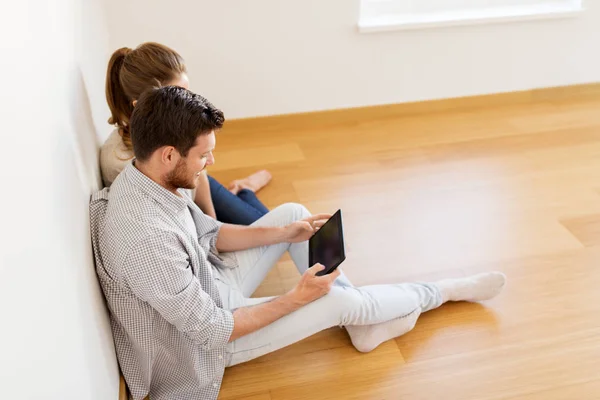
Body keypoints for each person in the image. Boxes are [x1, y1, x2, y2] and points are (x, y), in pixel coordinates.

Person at [89, 86, 507, 400]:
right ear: (168, 154)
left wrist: (288, 233)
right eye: (203, 156)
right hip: (205, 346)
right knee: (340, 302)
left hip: (211, 281)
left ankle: (364, 322)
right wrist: (296, 297)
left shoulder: (145, 178)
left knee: (291, 212)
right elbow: (214, 331)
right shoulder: (147, 242)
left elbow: (209, 235)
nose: (211, 163)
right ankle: (442, 292)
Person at [101, 42, 271, 225]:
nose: (187, 102)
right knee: (270, 231)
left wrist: (212, 219)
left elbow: (202, 171)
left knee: (269, 227)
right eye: (178, 94)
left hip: (194, 183)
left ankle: (243, 189)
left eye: (187, 92)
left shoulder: (174, 123)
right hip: (183, 205)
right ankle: (244, 190)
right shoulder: (122, 164)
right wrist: (213, 230)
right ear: (142, 104)